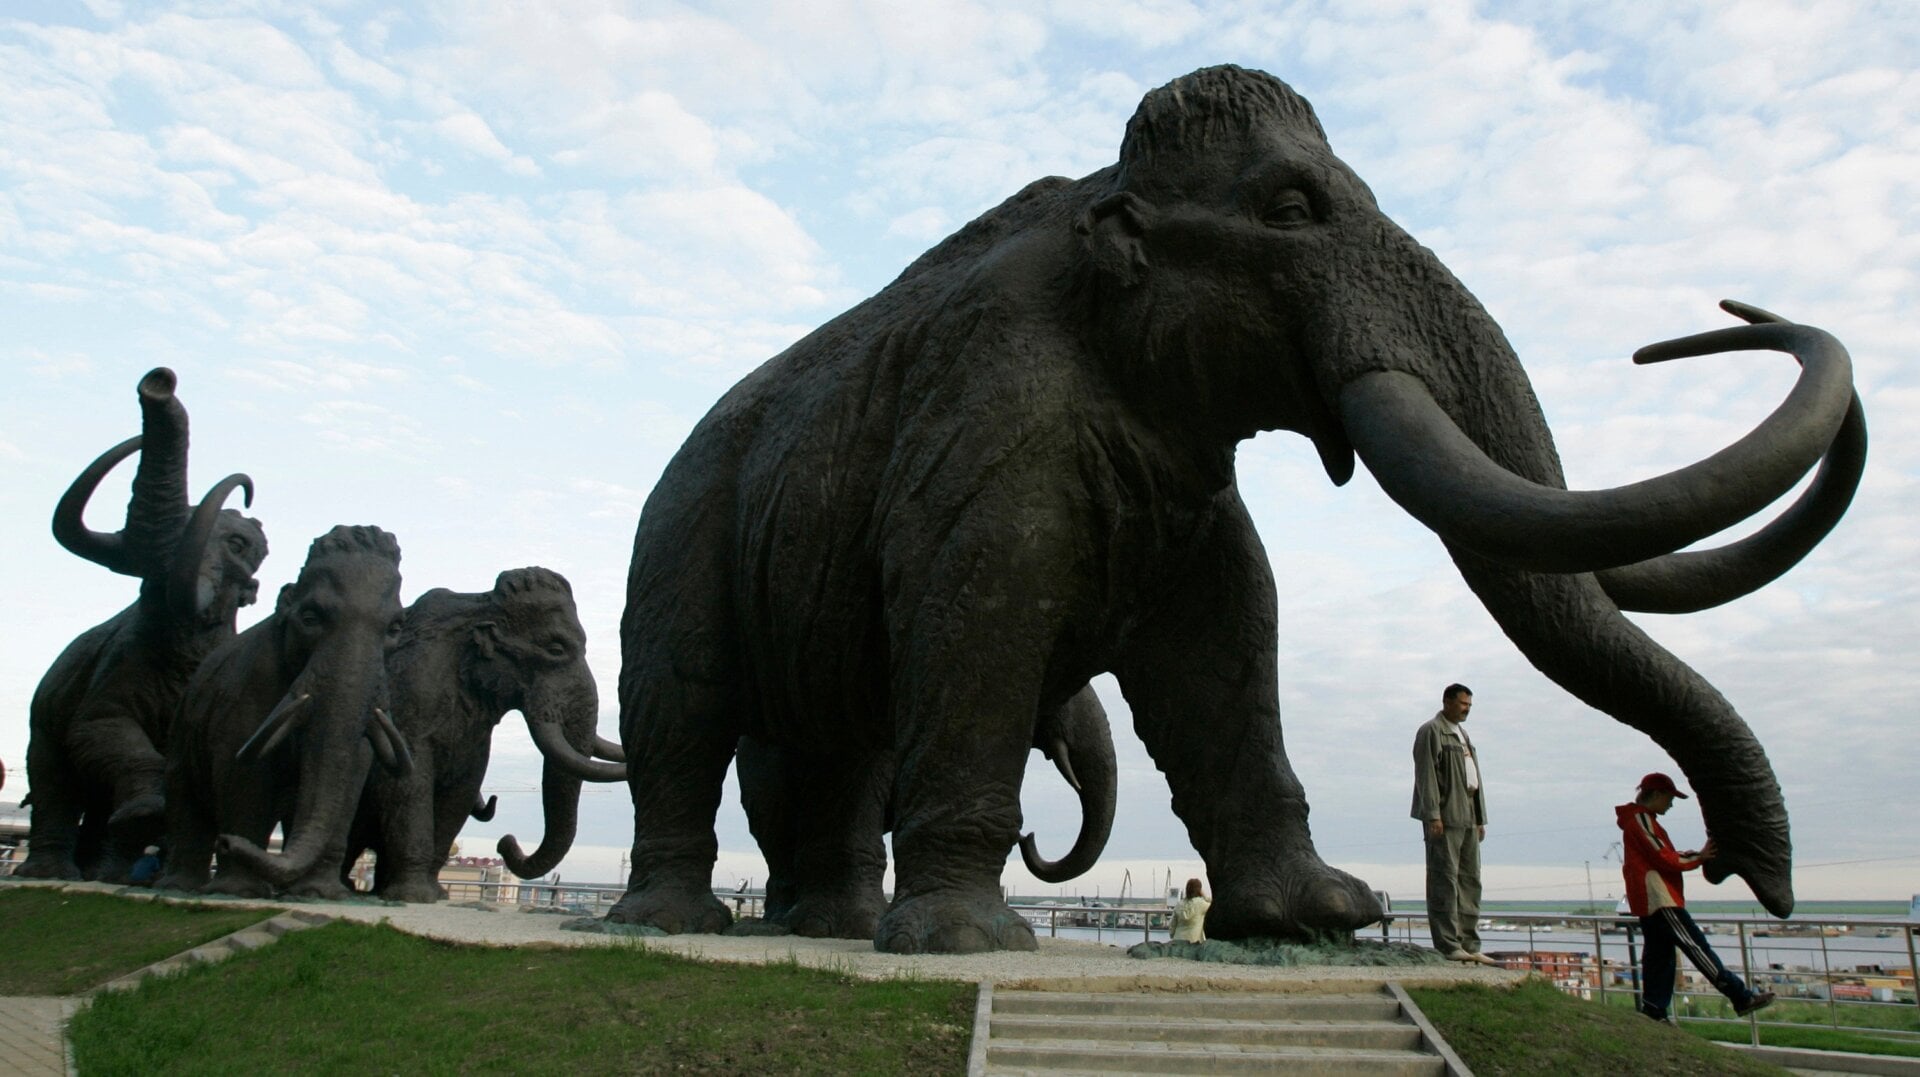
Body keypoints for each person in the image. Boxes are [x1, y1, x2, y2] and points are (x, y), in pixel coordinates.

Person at [1617, 772, 1775, 1022]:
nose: (1671, 804)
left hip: (1650, 901)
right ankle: (1740, 997)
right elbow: (1663, 856)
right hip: (1660, 898)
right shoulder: (1641, 819)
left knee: (1659, 956)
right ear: (1656, 794)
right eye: (1669, 798)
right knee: (1696, 946)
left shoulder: (1637, 820)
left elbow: (1660, 854)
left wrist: (1694, 856)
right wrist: (1699, 857)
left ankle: (1654, 1010)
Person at [1412, 683, 1493, 964]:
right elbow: (1426, 775)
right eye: (1462, 704)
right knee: (1444, 879)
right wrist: (1433, 814)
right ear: (1447, 702)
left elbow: (1474, 779)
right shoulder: (1432, 731)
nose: (1467, 709)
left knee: (1470, 880)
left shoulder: (1462, 734)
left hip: (1468, 814)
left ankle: (1469, 943)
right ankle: (1448, 944)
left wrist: (1480, 818)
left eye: (1469, 705)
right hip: (1446, 816)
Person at [1171, 878, 1211, 943]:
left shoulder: (1179, 904)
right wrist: (1205, 897)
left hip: (1177, 941)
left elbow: (1172, 925)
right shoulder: (1201, 904)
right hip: (1194, 943)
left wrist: (1173, 936)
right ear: (1199, 891)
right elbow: (1215, 904)